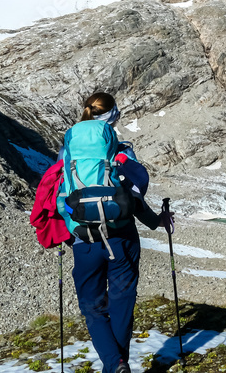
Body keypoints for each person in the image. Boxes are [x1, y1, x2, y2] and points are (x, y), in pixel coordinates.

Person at [58, 92, 173, 373]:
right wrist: (156, 221)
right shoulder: (121, 150)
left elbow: (62, 198)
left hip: (85, 241)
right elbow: (134, 197)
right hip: (122, 238)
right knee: (122, 303)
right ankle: (117, 366)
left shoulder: (67, 151)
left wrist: (71, 226)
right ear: (112, 115)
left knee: (92, 308)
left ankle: (115, 365)